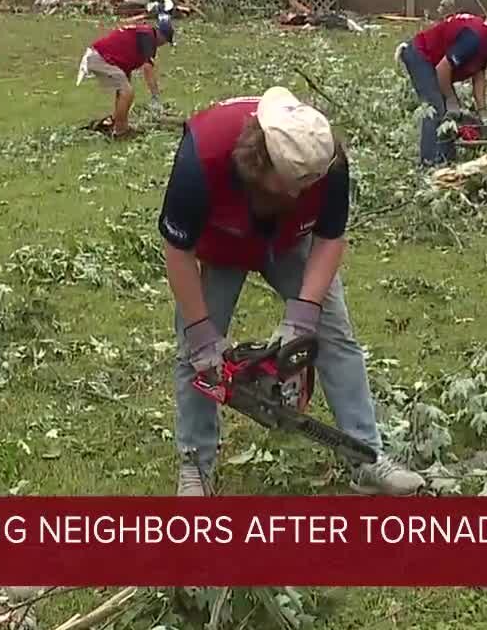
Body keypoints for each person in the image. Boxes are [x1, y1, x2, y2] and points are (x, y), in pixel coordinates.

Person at [157, 86, 426, 497]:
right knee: (192, 357)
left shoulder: (325, 159)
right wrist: (201, 334)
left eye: (307, 186)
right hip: (221, 241)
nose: (300, 194)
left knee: (335, 335)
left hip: (289, 242)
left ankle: (366, 457)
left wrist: (303, 315)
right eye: (289, 186)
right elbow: (178, 252)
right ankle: (196, 466)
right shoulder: (202, 157)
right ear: (257, 161)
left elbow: (330, 238)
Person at [395, 13, 487, 166]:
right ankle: (428, 163)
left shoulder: (486, 42)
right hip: (421, 55)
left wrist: (483, 112)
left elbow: (479, 77)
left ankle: (446, 159)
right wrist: (451, 98)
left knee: (448, 113)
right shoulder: (474, 39)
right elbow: (442, 69)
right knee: (435, 108)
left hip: (435, 63)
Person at [77, 15, 174, 138]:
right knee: (127, 92)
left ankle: (115, 123)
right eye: (166, 41)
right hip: (99, 57)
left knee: (124, 91)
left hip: (100, 56)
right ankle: (121, 132)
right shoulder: (148, 36)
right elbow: (148, 68)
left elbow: (126, 56)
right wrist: (155, 96)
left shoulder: (144, 34)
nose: (163, 45)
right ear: (162, 36)